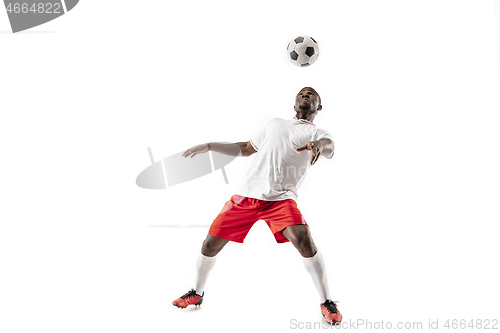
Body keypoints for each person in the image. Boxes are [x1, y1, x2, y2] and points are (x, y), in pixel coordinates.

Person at [172, 87, 342, 324]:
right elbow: (245, 148)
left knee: (304, 241)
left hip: (281, 200)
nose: (305, 95)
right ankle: (196, 293)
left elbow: (329, 146)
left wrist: (319, 147)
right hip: (245, 196)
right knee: (209, 245)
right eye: (301, 93)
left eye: (311, 94)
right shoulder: (274, 124)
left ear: (319, 107)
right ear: (294, 104)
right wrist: (210, 145)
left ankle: (327, 301)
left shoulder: (318, 133)